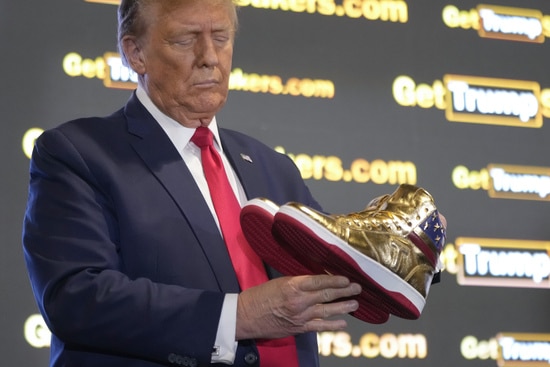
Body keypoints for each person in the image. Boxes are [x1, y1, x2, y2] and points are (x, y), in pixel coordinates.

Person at [22, 0, 362, 366]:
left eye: (221, 37)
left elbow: (344, 262)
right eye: (185, 40)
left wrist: (414, 246)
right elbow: (76, 298)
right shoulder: (79, 154)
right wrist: (239, 316)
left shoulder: (273, 166)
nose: (209, 57)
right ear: (135, 53)